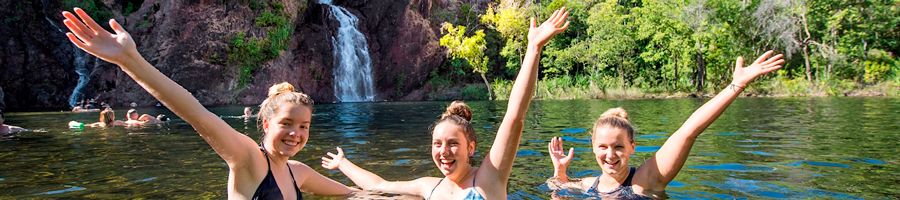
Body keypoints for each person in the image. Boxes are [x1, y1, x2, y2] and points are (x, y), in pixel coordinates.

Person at [61, 8, 354, 198]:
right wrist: (129, 60)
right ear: (265, 124)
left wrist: (347, 166)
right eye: (286, 124)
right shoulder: (248, 157)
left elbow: (355, 195)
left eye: (304, 126)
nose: (296, 133)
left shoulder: (298, 172)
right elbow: (194, 112)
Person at [319, 8, 571, 199]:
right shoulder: (429, 186)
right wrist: (343, 163)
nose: (443, 151)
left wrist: (534, 48)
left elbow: (514, 115)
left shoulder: (488, 178)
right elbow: (379, 185)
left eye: (452, 144)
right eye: (437, 144)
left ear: (470, 148)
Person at [546, 51, 785, 199]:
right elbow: (556, 189)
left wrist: (736, 86)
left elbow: (689, 131)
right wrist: (560, 174)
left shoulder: (646, 180)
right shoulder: (588, 185)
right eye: (603, 146)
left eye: (619, 146)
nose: (610, 155)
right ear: (593, 147)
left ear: (632, 147)